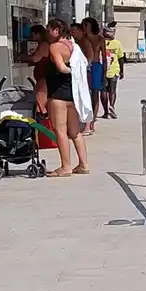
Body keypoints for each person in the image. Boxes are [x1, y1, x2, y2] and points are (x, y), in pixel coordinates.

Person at [38, 18, 88, 177]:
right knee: (75, 131)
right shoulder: (73, 46)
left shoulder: (55, 47)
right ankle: (83, 164)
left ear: (56, 31)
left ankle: (65, 166)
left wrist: (71, 71)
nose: (46, 33)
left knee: (60, 130)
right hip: (72, 94)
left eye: (48, 30)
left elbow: (60, 67)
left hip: (58, 94)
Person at [102, 26, 125, 120]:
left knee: (103, 91)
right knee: (112, 90)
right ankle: (112, 105)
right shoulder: (117, 43)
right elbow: (121, 58)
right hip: (114, 69)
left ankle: (106, 112)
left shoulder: (100, 43)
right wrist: (122, 71)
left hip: (101, 70)